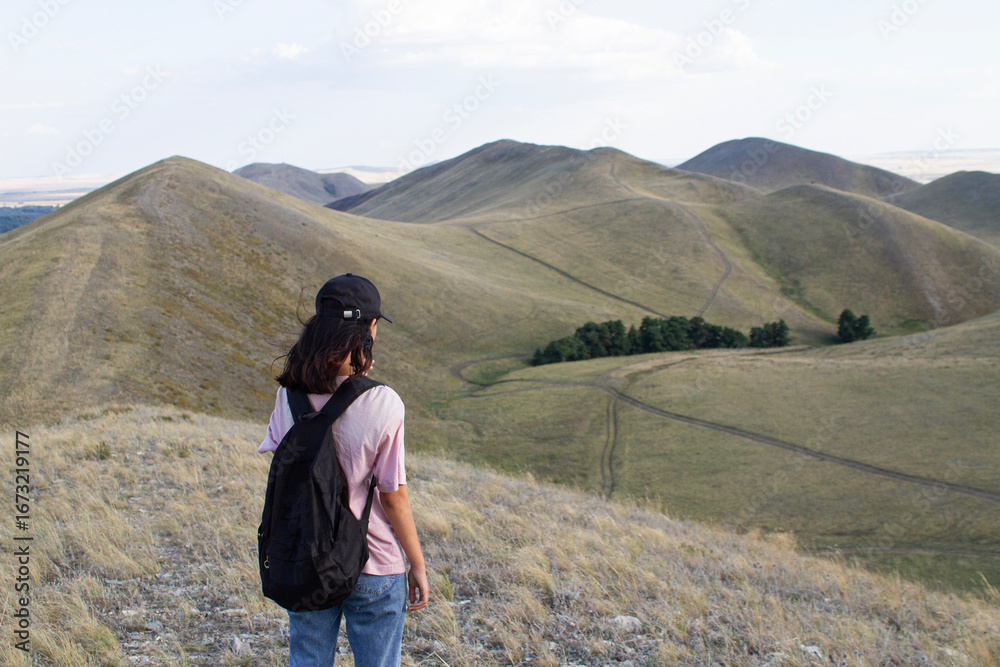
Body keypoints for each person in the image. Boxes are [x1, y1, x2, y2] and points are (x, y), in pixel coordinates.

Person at [258, 273, 429, 667]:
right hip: (373, 562)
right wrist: (416, 564)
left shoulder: (288, 396)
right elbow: (393, 495)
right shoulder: (384, 402)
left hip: (305, 556)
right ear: (370, 327)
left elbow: (287, 464)